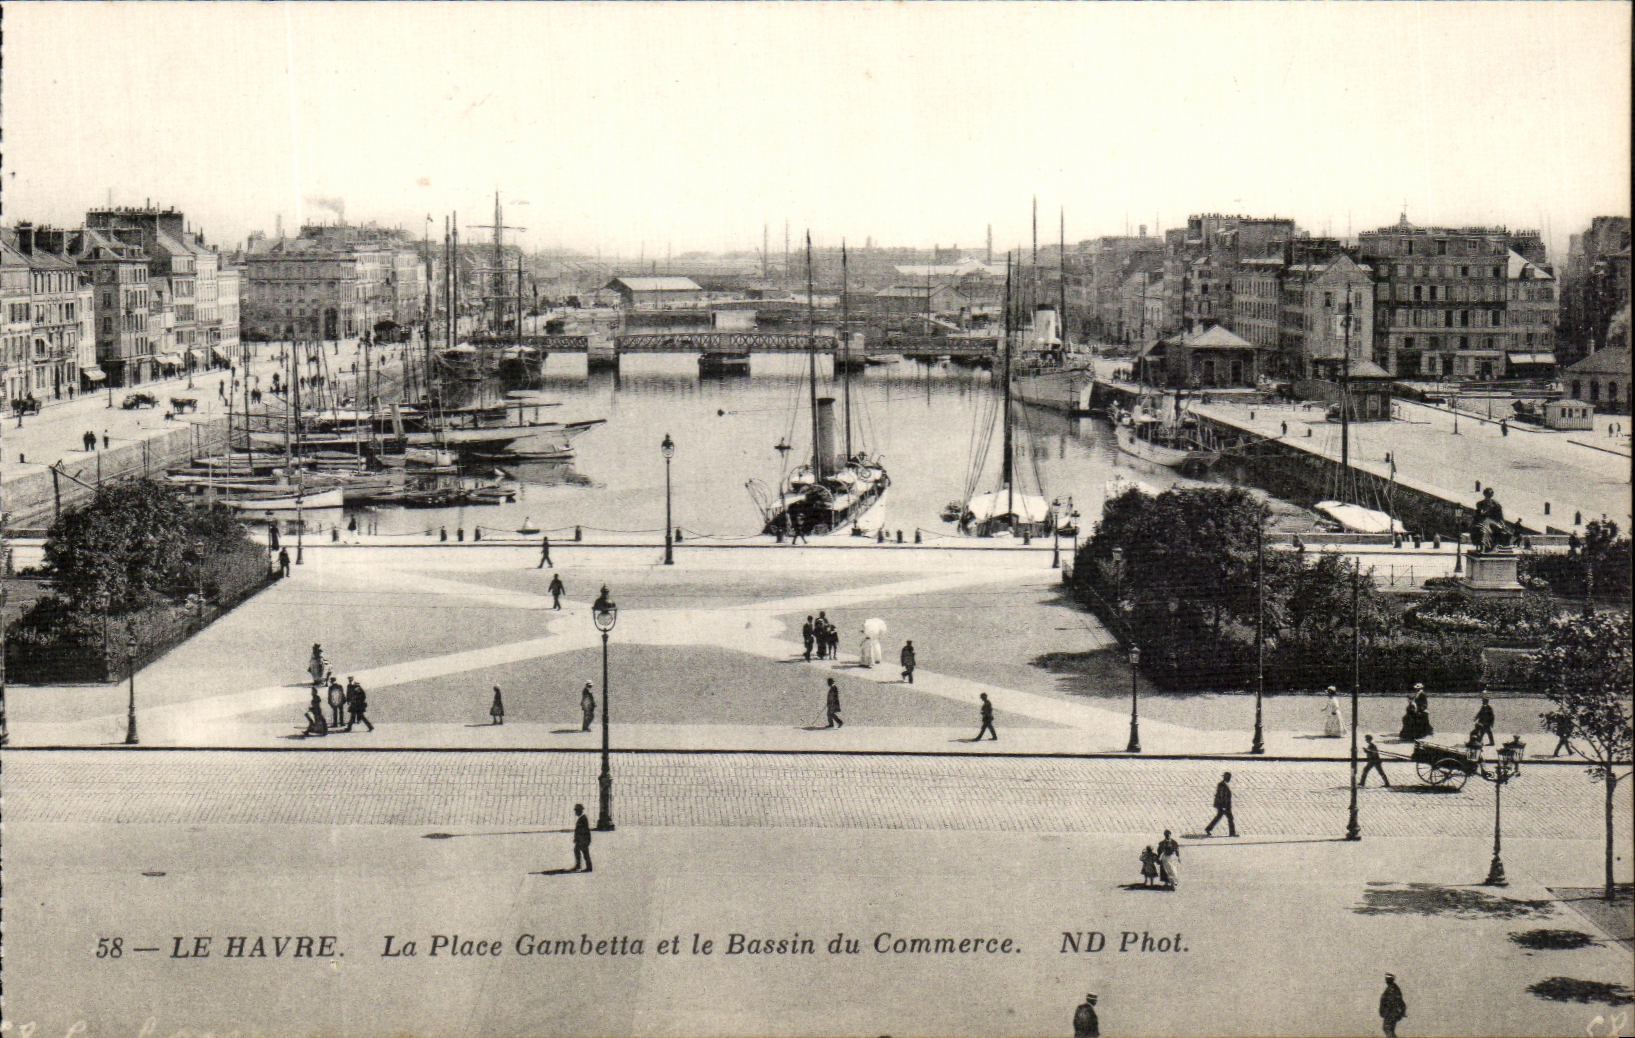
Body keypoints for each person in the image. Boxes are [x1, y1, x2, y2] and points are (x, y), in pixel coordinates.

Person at [1204, 771, 1237, 837]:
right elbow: (1222, 796)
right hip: (1224, 805)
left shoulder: (1222, 784)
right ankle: (1232, 833)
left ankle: (1208, 829)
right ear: (1226, 778)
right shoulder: (1222, 785)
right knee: (1230, 818)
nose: (1229, 779)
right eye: (1229, 778)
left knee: (1219, 817)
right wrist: (1223, 806)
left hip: (1224, 805)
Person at [571, 803, 593, 873]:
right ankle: (579, 865)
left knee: (585, 853)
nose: (575, 812)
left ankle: (588, 867)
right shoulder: (582, 818)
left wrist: (583, 840)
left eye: (576, 811)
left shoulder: (583, 819)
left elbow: (583, 831)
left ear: (580, 811)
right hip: (581, 840)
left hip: (583, 840)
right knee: (577, 851)